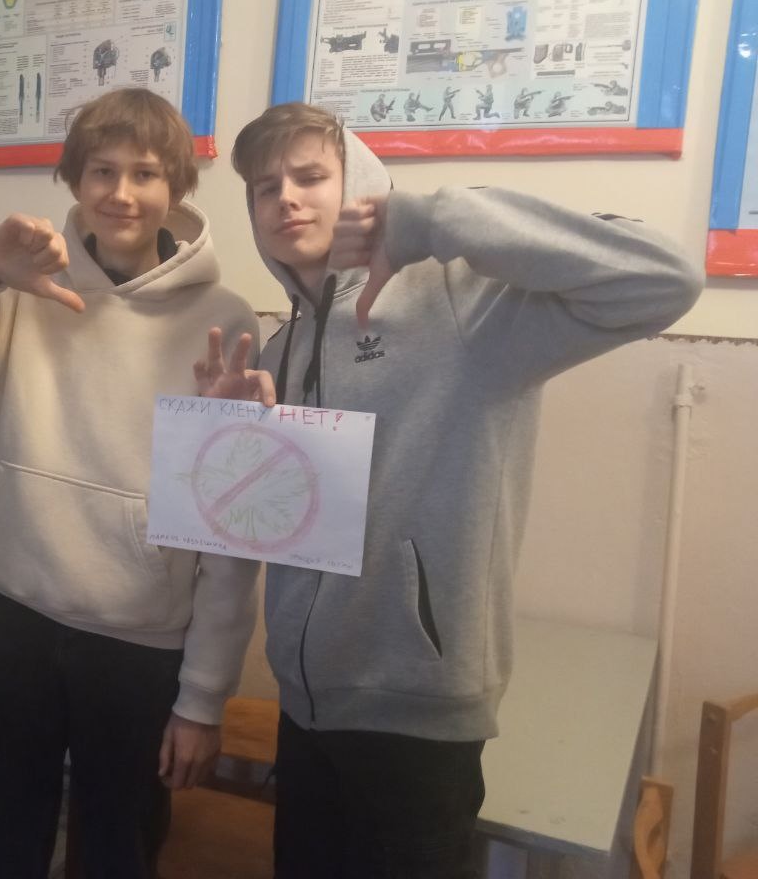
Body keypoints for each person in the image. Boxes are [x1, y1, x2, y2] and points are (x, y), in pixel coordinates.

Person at [218, 101, 701, 878]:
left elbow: (665, 277)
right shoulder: (281, 344)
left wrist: (430, 219)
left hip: (416, 714)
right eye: (264, 188)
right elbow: (281, 524)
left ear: (361, 186)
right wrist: (233, 441)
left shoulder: (462, 301)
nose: (286, 200)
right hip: (305, 705)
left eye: (310, 177)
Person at [0, 88, 261, 879]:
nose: (121, 192)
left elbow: (228, 527)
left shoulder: (225, 316)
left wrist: (203, 695)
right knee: (4, 832)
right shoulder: (26, 287)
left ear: (176, 186)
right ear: (75, 179)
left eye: (145, 173)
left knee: (119, 845)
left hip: (141, 638)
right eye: (102, 170)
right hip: (17, 617)